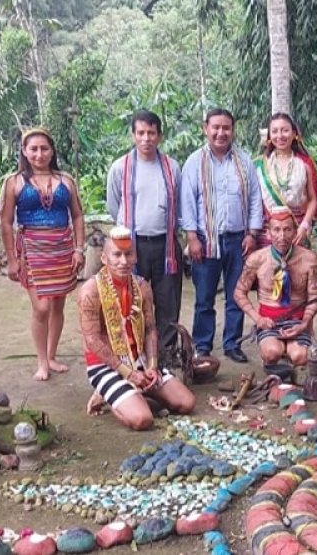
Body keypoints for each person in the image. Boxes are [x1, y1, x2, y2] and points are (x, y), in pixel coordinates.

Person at [78, 227, 196, 430]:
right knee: (142, 420)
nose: (123, 261)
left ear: (135, 257)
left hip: (139, 359)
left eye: (128, 254)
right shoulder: (90, 291)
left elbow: (150, 329)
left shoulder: (141, 286)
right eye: (117, 255)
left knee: (186, 403)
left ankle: (140, 390)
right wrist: (128, 374)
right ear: (104, 258)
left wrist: (151, 366)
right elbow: (92, 340)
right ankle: (109, 394)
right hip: (106, 365)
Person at [0, 127, 86, 381]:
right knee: (41, 307)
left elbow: (78, 215)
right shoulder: (14, 182)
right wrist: (11, 260)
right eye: (33, 149)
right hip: (31, 248)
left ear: (52, 151)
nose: (39, 154)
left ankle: (51, 356)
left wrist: (79, 249)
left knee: (58, 303)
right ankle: (41, 361)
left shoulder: (66, 180)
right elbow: (5, 222)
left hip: (62, 246)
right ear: (24, 152)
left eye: (44, 148)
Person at [180, 107, 263, 364]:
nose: (220, 132)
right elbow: (187, 201)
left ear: (232, 130)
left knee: (237, 294)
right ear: (206, 128)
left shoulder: (244, 160)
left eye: (226, 127)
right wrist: (192, 237)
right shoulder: (195, 161)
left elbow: (255, 198)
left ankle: (232, 343)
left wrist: (252, 233)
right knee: (204, 297)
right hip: (206, 241)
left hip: (239, 240)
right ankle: (202, 345)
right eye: (215, 127)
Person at [106, 110, 184, 361]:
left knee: (167, 300)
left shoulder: (172, 167)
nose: (146, 138)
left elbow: (180, 203)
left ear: (159, 136)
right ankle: (136, 351)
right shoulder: (120, 168)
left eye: (151, 133)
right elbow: (113, 205)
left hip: (166, 245)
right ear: (133, 135)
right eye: (140, 133)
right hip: (133, 246)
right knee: (133, 299)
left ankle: (167, 352)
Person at [233, 210, 317, 372]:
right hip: (268, 322)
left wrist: (304, 324)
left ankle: (292, 351)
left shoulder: (309, 259)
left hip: (297, 321)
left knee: (300, 356)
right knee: (272, 353)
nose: (282, 236)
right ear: (268, 232)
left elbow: (314, 296)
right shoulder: (257, 259)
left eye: (287, 229)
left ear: (295, 231)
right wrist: (258, 319)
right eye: (277, 230)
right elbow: (239, 292)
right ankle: (275, 354)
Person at [254, 112, 317, 248]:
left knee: (297, 267)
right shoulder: (259, 165)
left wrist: (304, 226)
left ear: (294, 133)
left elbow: (313, 199)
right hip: (268, 230)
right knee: (269, 268)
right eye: (275, 131)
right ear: (269, 136)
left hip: (296, 229)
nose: (280, 136)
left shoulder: (305, 164)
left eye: (285, 130)